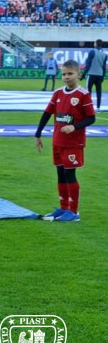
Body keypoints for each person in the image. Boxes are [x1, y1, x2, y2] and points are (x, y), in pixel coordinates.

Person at [34, 60, 96, 222]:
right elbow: (47, 113)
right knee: (60, 174)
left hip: (73, 143)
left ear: (78, 74)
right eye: (63, 74)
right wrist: (38, 134)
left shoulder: (83, 94)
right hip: (58, 141)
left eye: (70, 73)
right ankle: (63, 208)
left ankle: (74, 212)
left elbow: (91, 118)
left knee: (69, 174)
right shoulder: (58, 93)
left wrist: (74, 127)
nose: (66, 77)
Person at [82, 39, 106, 111]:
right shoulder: (104, 54)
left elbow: (88, 65)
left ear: (95, 44)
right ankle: (98, 107)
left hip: (91, 74)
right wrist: (103, 76)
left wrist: (83, 75)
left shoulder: (92, 52)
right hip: (99, 74)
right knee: (99, 91)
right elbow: (104, 67)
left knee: (88, 91)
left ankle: (88, 107)